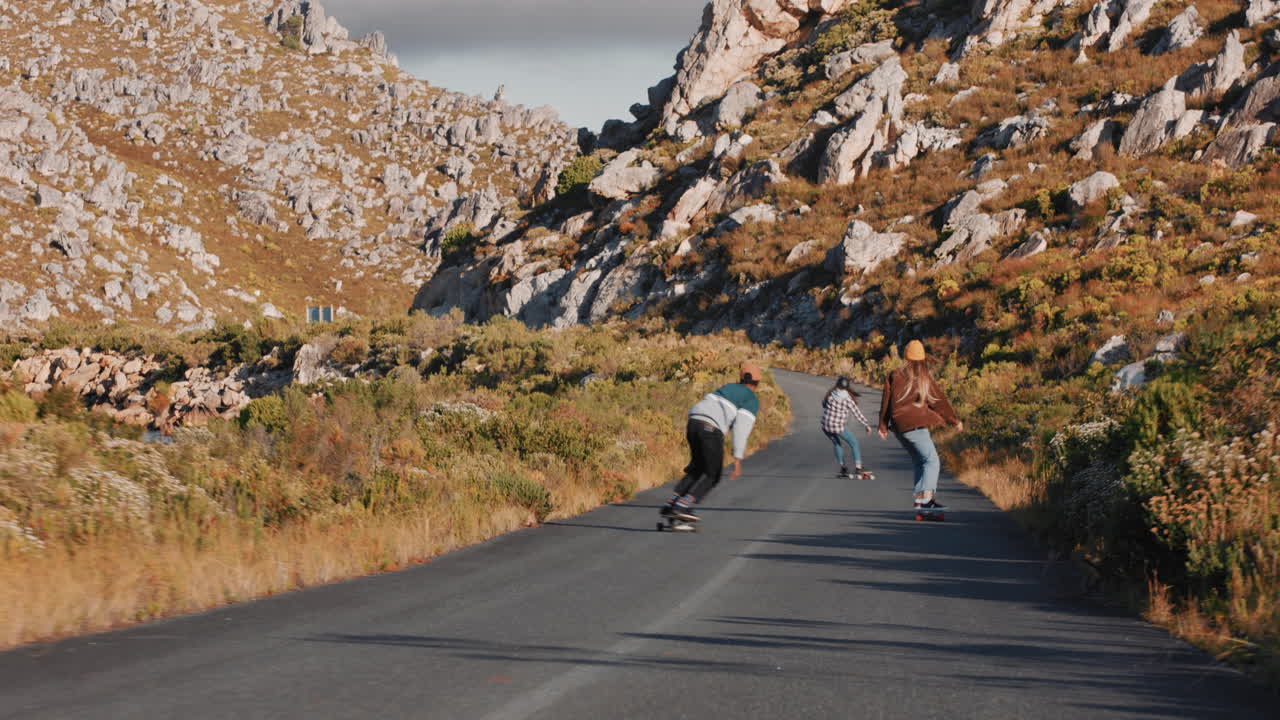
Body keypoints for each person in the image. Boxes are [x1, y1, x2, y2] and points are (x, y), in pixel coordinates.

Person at [661, 363, 762, 523]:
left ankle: (671, 503)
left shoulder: (728, 387)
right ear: (758, 382)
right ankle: (683, 506)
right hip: (710, 427)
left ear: (741, 378)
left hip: (693, 421)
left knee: (697, 468)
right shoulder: (751, 399)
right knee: (712, 474)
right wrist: (737, 458)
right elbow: (741, 429)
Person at [877, 340, 963, 510]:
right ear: (923, 357)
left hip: (900, 428)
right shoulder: (924, 377)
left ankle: (919, 499)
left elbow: (885, 402)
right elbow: (939, 402)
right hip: (916, 426)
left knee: (919, 461)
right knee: (932, 461)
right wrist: (954, 420)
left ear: (906, 356)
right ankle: (927, 500)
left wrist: (883, 426)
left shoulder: (894, 374)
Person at [821, 376, 874, 479]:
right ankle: (858, 468)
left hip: (825, 425)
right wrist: (866, 425)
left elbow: (824, 404)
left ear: (837, 385)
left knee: (837, 443)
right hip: (837, 426)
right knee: (854, 443)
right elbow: (857, 413)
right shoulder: (847, 399)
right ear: (847, 387)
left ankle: (843, 468)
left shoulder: (831, 394)